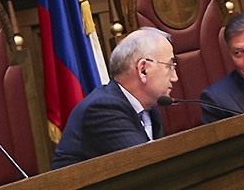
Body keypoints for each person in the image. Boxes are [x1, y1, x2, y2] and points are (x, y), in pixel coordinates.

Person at [51, 26, 176, 169]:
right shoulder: (101, 109)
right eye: (170, 66)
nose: (175, 77)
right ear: (143, 70)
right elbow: (149, 167)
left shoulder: (151, 112)